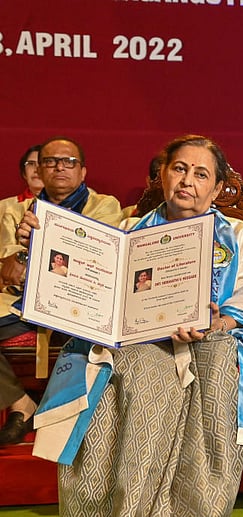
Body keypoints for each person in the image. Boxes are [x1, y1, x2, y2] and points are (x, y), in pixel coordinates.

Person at [31, 135, 243, 516]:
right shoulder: (128, 231)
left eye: (201, 174)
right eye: (180, 169)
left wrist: (222, 319)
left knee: (219, 362)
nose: (188, 180)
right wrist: (39, 245)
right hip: (140, 339)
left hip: (217, 337)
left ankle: (197, 507)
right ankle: (127, 505)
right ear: (164, 176)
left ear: (217, 188)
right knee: (139, 367)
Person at [0, 136, 122, 446]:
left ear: (83, 171)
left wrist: (35, 247)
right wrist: (24, 253)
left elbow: (99, 255)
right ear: (39, 170)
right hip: (25, 301)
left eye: (69, 162)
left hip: (81, 303)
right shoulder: (18, 211)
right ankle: (20, 401)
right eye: (50, 162)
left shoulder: (103, 205)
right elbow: (9, 266)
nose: (59, 168)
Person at [0, 145, 44, 214]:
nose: (37, 170)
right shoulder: (3, 207)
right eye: (31, 164)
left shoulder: (65, 207)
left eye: (42, 164)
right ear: (24, 173)